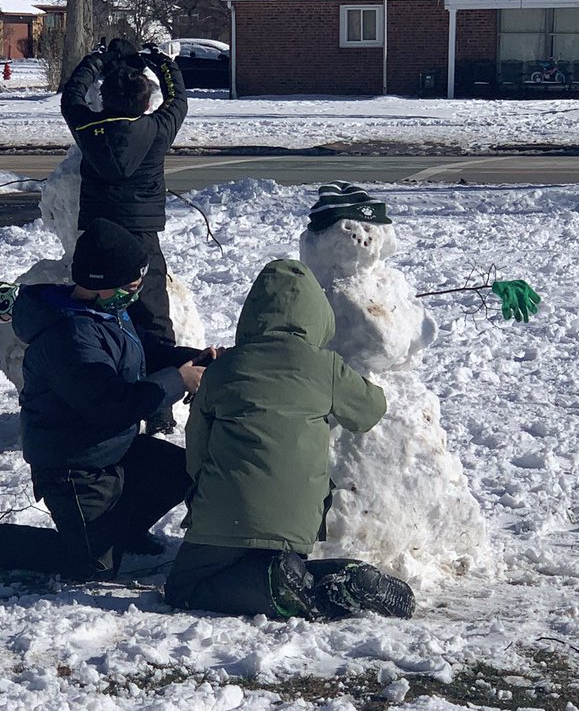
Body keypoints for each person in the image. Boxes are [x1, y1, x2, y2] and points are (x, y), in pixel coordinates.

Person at [0, 218, 214, 581]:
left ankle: (119, 532)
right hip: (74, 465)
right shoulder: (71, 337)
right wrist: (177, 381)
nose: (137, 291)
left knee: (178, 470)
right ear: (100, 284)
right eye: (130, 285)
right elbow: (111, 405)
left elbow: (145, 353)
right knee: (93, 568)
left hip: (110, 449)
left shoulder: (107, 311)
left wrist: (194, 360)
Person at [164, 258, 416, 621]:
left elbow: (197, 447)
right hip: (295, 522)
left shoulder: (224, 369)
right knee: (281, 567)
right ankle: (335, 577)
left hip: (223, 516)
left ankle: (275, 583)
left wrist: (204, 496)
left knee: (183, 589)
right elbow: (370, 412)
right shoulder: (325, 367)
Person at [60, 37, 188, 434]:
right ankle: (158, 406)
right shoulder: (156, 129)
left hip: (98, 235)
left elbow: (71, 95)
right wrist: (159, 60)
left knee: (97, 315)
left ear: (105, 101)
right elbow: (178, 99)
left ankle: (98, 391)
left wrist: (99, 59)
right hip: (141, 236)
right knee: (153, 322)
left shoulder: (88, 128)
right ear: (145, 103)